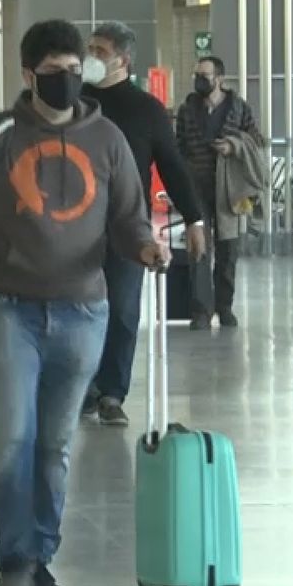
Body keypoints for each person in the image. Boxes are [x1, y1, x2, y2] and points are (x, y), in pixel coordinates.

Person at [0, 19, 168, 586]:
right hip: (1, 306)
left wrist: (146, 246)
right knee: (13, 435)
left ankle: (40, 556)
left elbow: (128, 216)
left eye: (74, 68)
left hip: (82, 310)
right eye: (54, 72)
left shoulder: (106, 137)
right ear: (29, 75)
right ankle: (14, 558)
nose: (67, 80)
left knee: (56, 444)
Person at [78, 22, 207, 425]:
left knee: (123, 309)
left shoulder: (145, 109)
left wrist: (195, 218)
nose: (92, 56)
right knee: (77, 309)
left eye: (101, 50)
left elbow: (172, 165)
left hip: (125, 224)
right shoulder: (73, 102)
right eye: (90, 48)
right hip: (73, 223)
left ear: (123, 60)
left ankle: (112, 393)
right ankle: (82, 388)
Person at [174, 56, 262, 329]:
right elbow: (178, 147)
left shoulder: (238, 108)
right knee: (198, 247)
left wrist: (234, 145)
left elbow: (256, 141)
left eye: (205, 75)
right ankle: (201, 309)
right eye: (197, 74)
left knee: (228, 249)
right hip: (196, 187)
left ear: (220, 79)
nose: (199, 79)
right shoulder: (187, 110)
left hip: (229, 188)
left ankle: (224, 307)